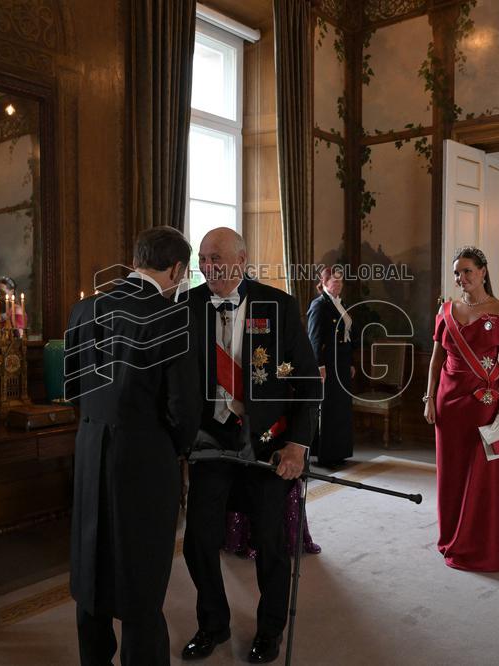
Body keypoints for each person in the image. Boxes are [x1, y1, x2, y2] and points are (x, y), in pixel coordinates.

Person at [181, 228, 321, 664]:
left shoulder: (278, 305)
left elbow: (306, 382)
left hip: (267, 444)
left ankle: (270, 629)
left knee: (269, 542)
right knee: (198, 541)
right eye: (202, 258)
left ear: (242, 259)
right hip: (210, 444)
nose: (207, 267)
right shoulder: (188, 306)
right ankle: (213, 624)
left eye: (216, 258)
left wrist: (298, 445)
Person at [66, 226, 201, 665]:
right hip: (144, 457)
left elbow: (73, 390)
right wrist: (176, 449)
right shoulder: (171, 317)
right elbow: (183, 410)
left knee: (93, 564)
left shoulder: (83, 310)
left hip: (89, 448)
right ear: (177, 269)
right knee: (141, 573)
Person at [423, 246, 499, 572]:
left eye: (467, 271)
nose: (461, 278)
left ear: (483, 271)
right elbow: (435, 360)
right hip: (448, 403)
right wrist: (429, 398)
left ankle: (485, 541)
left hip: (485, 404)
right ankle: (453, 536)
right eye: (457, 272)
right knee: (451, 474)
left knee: (485, 476)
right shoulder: (445, 311)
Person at [306, 265, 356, 467]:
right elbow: (314, 339)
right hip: (328, 364)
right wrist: (319, 366)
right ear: (324, 283)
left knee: (341, 408)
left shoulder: (340, 303)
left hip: (342, 363)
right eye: (335, 281)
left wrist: (350, 362)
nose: (339, 284)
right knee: (329, 409)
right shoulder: (319, 305)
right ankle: (326, 455)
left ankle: (339, 452)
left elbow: (347, 336)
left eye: (341, 280)